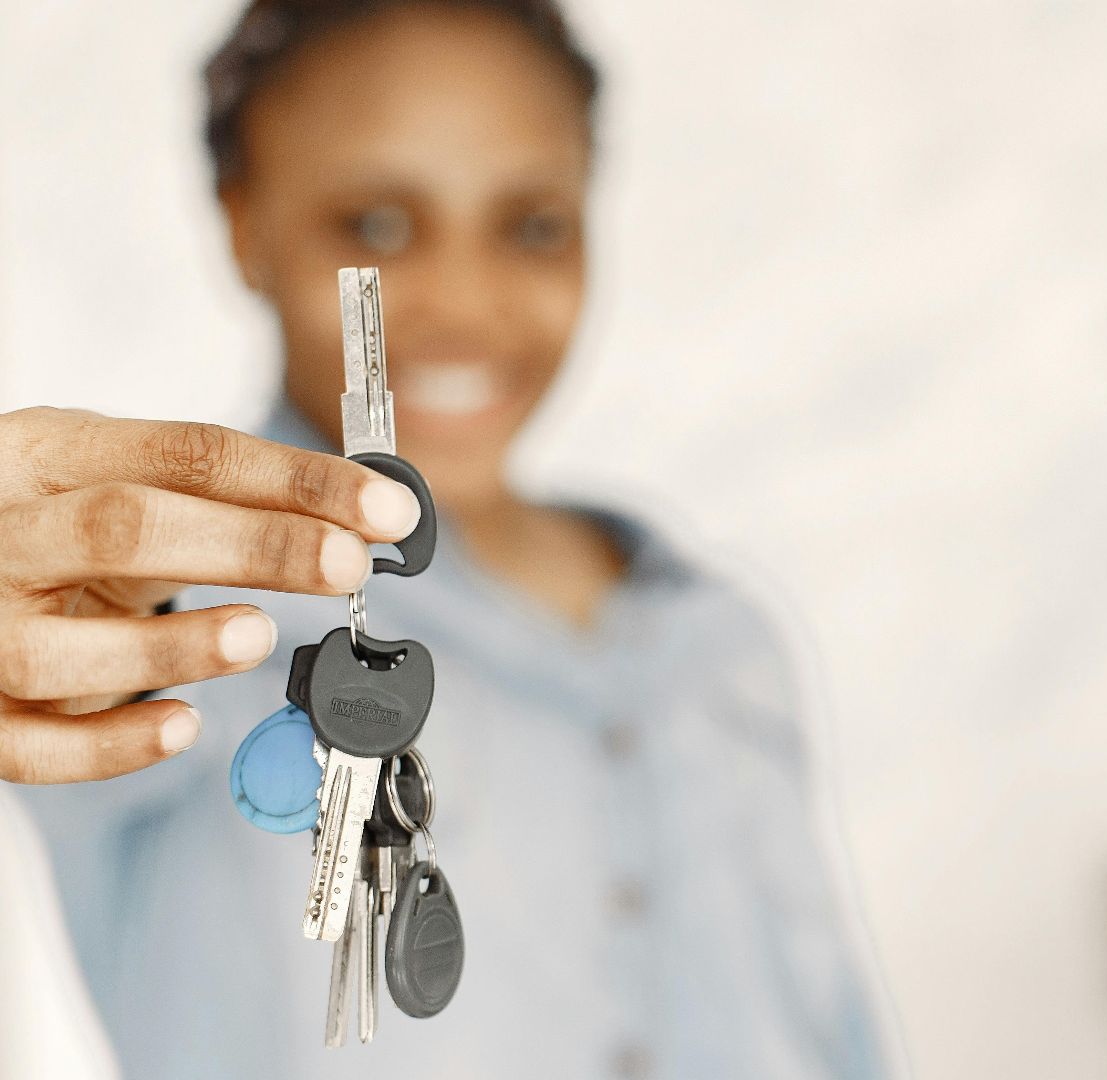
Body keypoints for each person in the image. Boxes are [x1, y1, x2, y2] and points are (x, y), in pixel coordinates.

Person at [4, 1, 893, 1077]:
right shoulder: (150, 618)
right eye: (375, 224)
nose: (463, 301)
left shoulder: (717, 633)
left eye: (531, 225)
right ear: (244, 221)